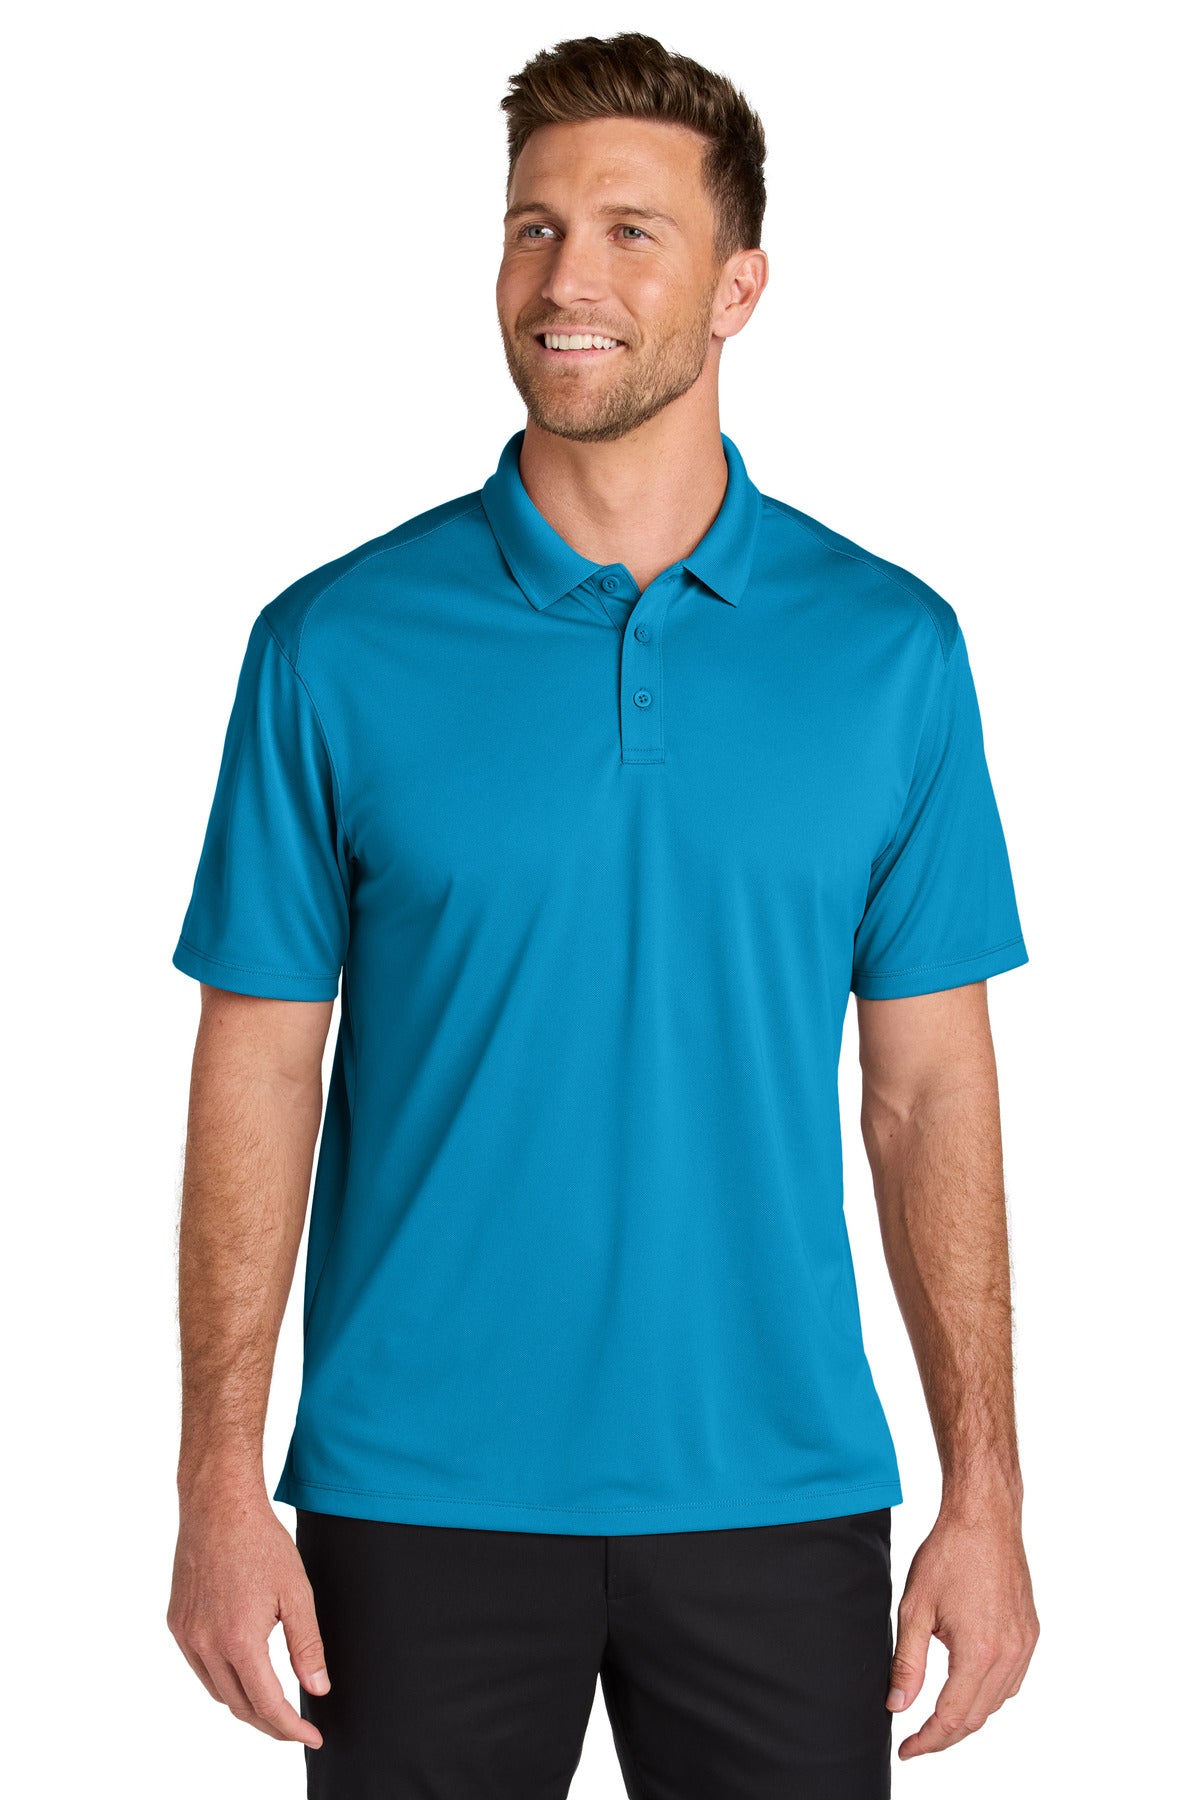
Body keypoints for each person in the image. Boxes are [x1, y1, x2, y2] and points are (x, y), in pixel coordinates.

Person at [166, 30, 1039, 1799]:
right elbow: (258, 1068)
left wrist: (989, 1492)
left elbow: (929, 1090)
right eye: (535, 227)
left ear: (740, 287)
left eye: (634, 232)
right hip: (411, 1498)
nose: (568, 278)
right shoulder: (333, 644)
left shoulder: (891, 653)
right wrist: (214, 1485)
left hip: (780, 1491)